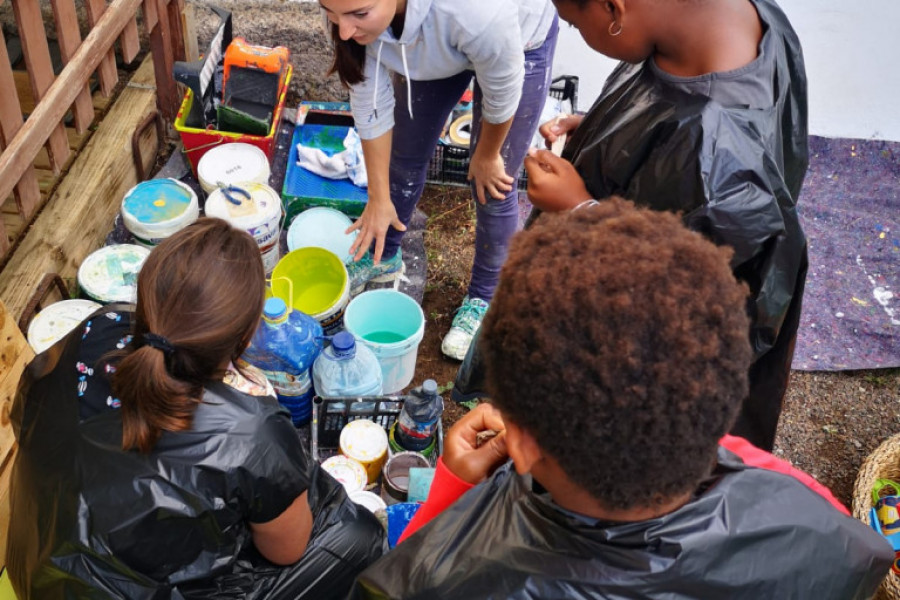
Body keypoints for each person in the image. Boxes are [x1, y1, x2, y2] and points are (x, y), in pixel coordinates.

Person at [350, 200, 893, 599]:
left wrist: (449, 492)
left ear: (517, 440)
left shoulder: (448, 580)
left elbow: (415, 577)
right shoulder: (811, 513)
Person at [455, 0, 809, 451]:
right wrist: (610, 131)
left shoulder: (723, 155)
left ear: (613, 9)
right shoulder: (714, 19)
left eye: (573, 20)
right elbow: (669, 141)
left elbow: (679, 291)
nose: (573, 29)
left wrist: (580, 210)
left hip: (637, 356)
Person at [7, 219, 385, 599]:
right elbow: (287, 552)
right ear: (245, 337)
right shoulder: (253, 432)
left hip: (36, 567)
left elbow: (26, 411)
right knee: (357, 534)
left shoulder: (98, 326)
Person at [321, 0, 559, 360]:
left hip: (518, 39)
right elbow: (370, 103)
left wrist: (487, 154)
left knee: (493, 185)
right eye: (331, 12)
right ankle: (384, 254)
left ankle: (485, 296)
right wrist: (379, 198)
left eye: (359, 14)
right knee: (404, 156)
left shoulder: (474, 12)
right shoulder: (345, 9)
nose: (342, 31)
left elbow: (503, 88)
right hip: (439, 39)